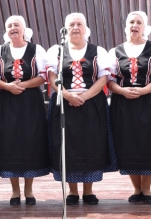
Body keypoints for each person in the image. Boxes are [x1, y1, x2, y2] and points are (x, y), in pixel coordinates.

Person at [46, 13, 115, 205]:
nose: (75, 27)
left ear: (86, 29)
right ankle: (73, 191)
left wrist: (83, 96)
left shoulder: (98, 50)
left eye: (79, 24)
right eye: (71, 24)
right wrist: (67, 95)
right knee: (67, 145)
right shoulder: (56, 51)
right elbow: (52, 77)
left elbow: (103, 78)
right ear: (65, 29)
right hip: (64, 102)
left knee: (90, 143)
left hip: (91, 102)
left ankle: (89, 190)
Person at [107, 11, 151, 204]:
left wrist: (143, 91)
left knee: (147, 143)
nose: (134, 25)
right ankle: (136, 188)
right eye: (131, 22)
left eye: (139, 22)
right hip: (123, 103)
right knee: (128, 144)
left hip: (149, 102)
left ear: (145, 28)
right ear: (126, 26)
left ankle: (147, 188)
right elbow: (109, 80)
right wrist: (121, 91)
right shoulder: (116, 51)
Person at [0, 15, 50, 205]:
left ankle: (29, 190)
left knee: (30, 141)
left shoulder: (36, 49)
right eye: (10, 26)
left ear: (24, 29)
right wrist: (8, 87)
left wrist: (22, 85)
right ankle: (15, 191)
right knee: (9, 142)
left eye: (17, 25)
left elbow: (43, 76)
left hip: (31, 100)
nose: (13, 28)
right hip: (7, 101)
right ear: (6, 31)